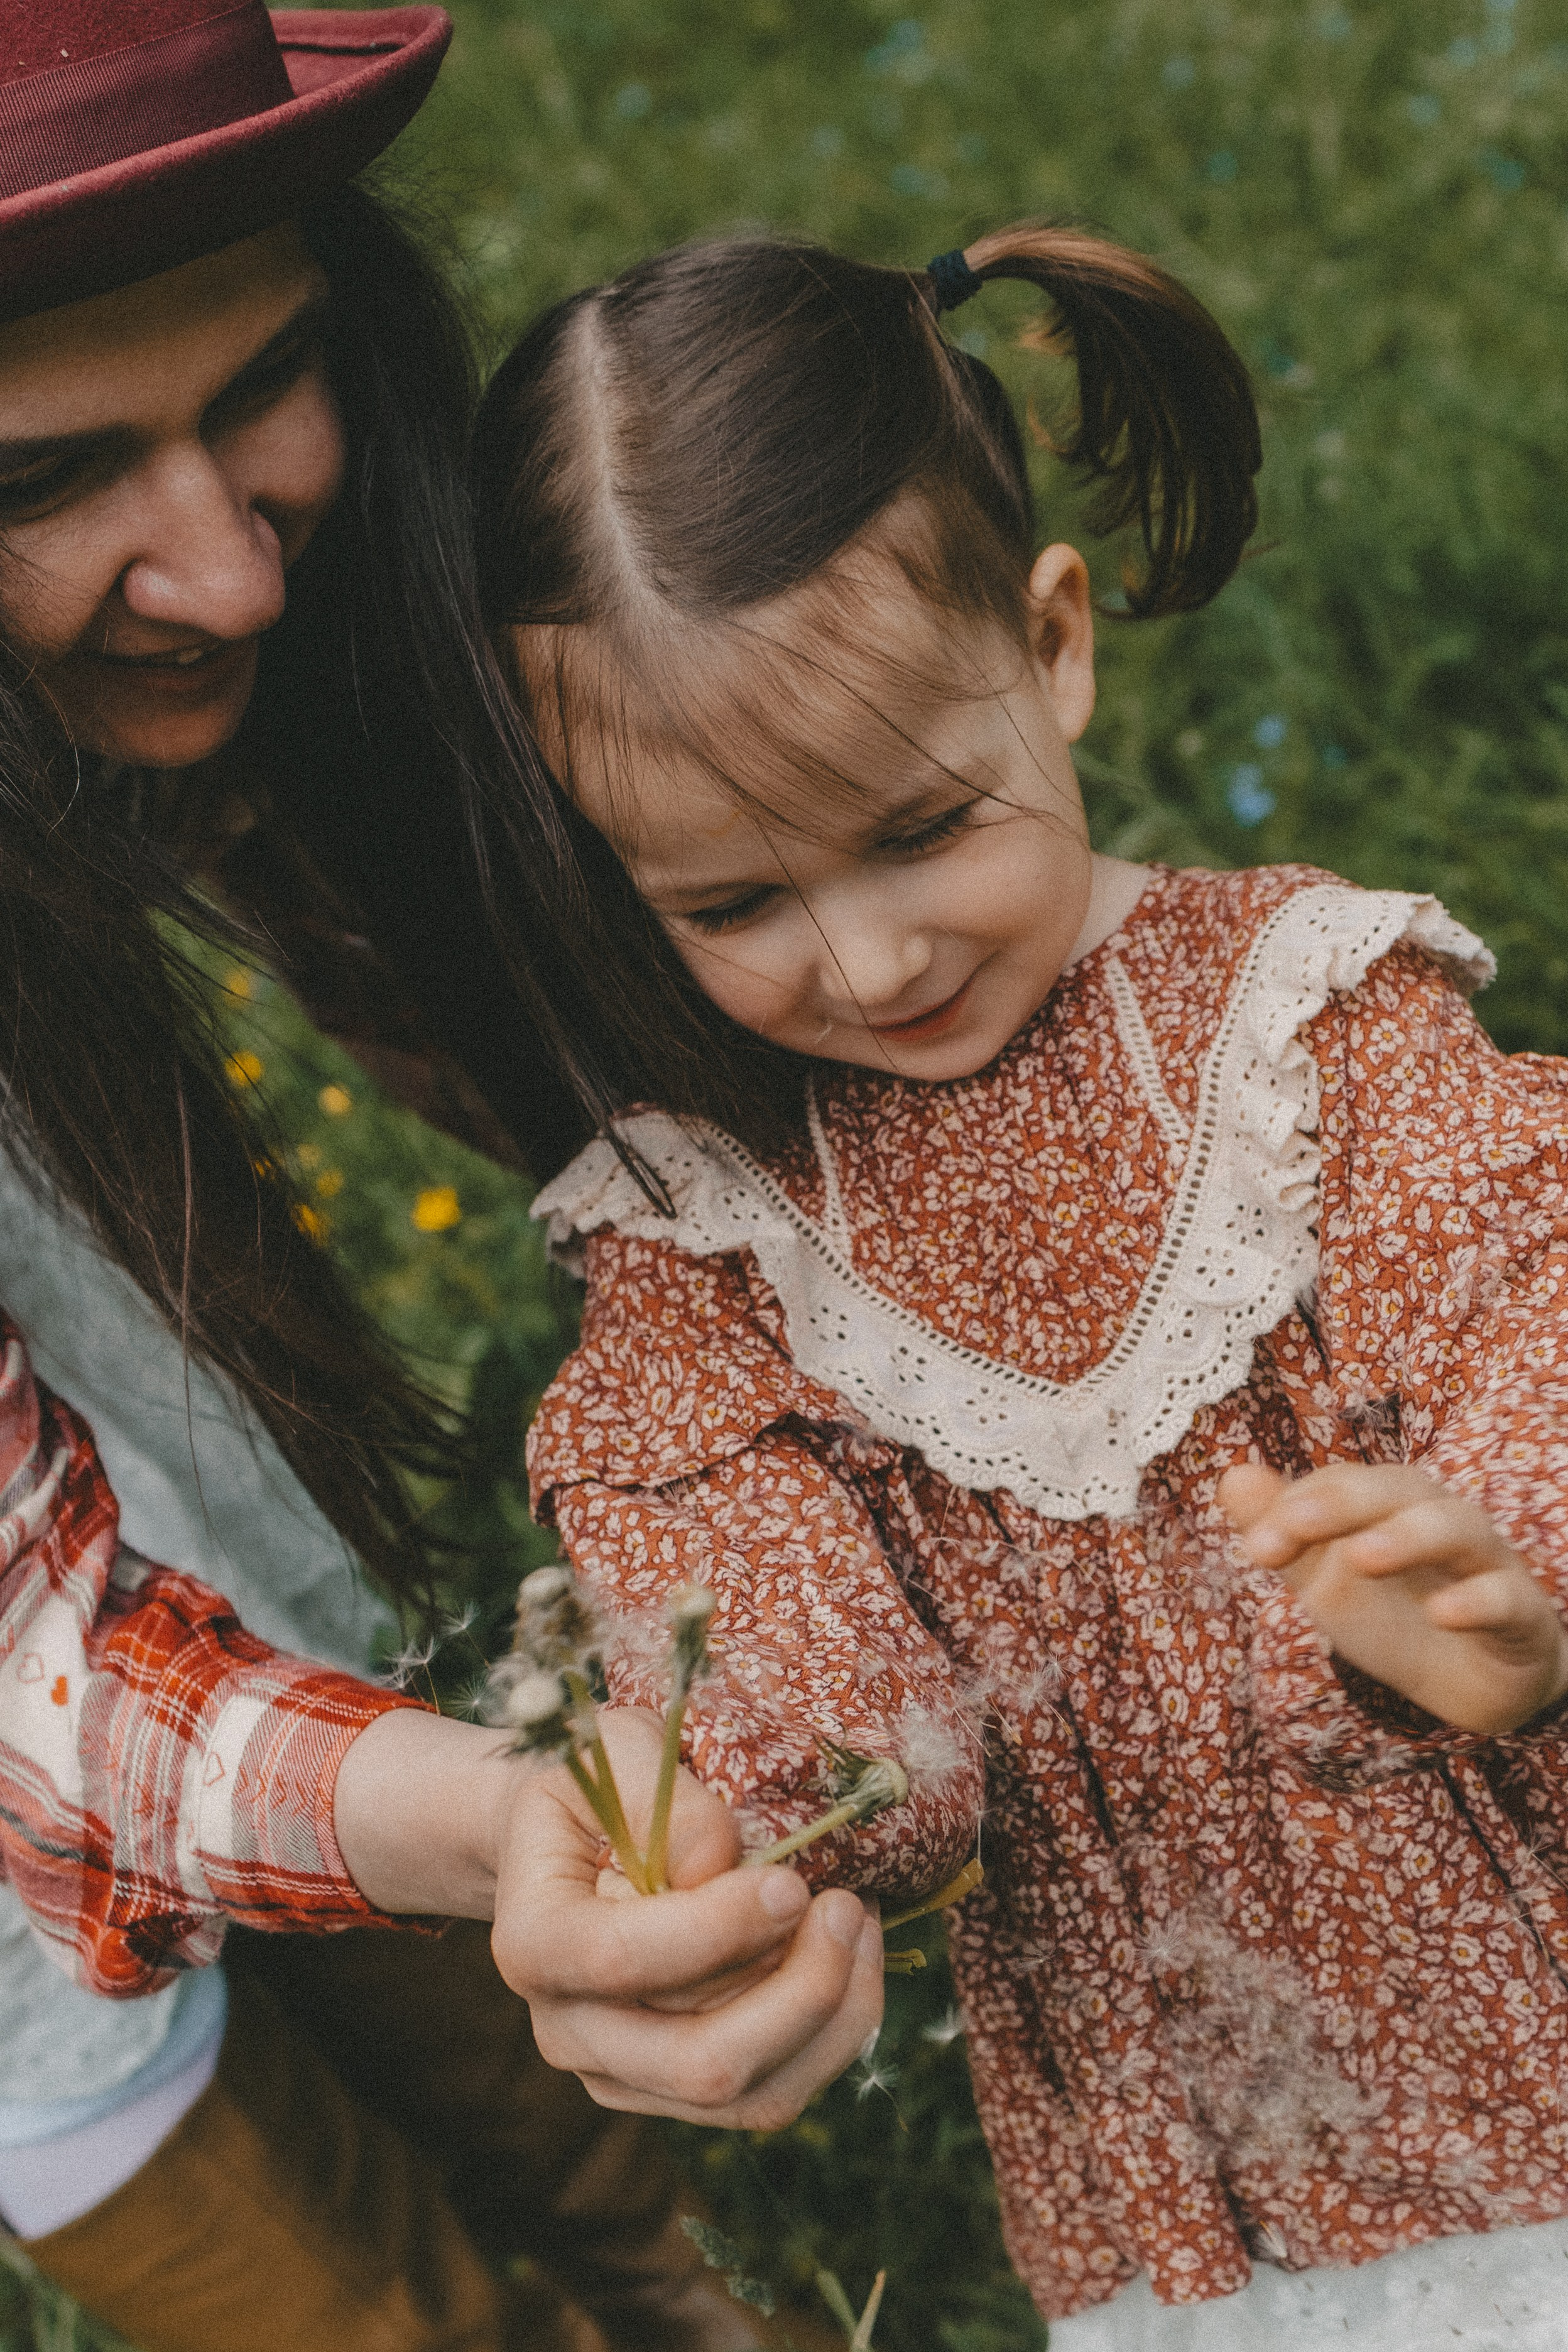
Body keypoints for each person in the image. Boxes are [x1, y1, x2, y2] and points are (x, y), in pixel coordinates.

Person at [466, 222, 1568, 2350]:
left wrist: (1511, 1556)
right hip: (1189, 2151)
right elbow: (782, 1647)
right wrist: (729, 1813)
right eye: (729, 898)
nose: (868, 959)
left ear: (1051, 645)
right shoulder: (713, 1236)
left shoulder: (1302, 1027)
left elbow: (1530, 1294)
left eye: (922, 826)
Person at [0, 10, 878, 2348]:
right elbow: (32, 1689)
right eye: (48, 479)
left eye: (261, 383)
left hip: (139, 1545)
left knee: (624, 2196)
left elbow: (497, 1001)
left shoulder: (221, 623)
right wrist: (503, 1823)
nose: (231, 573)